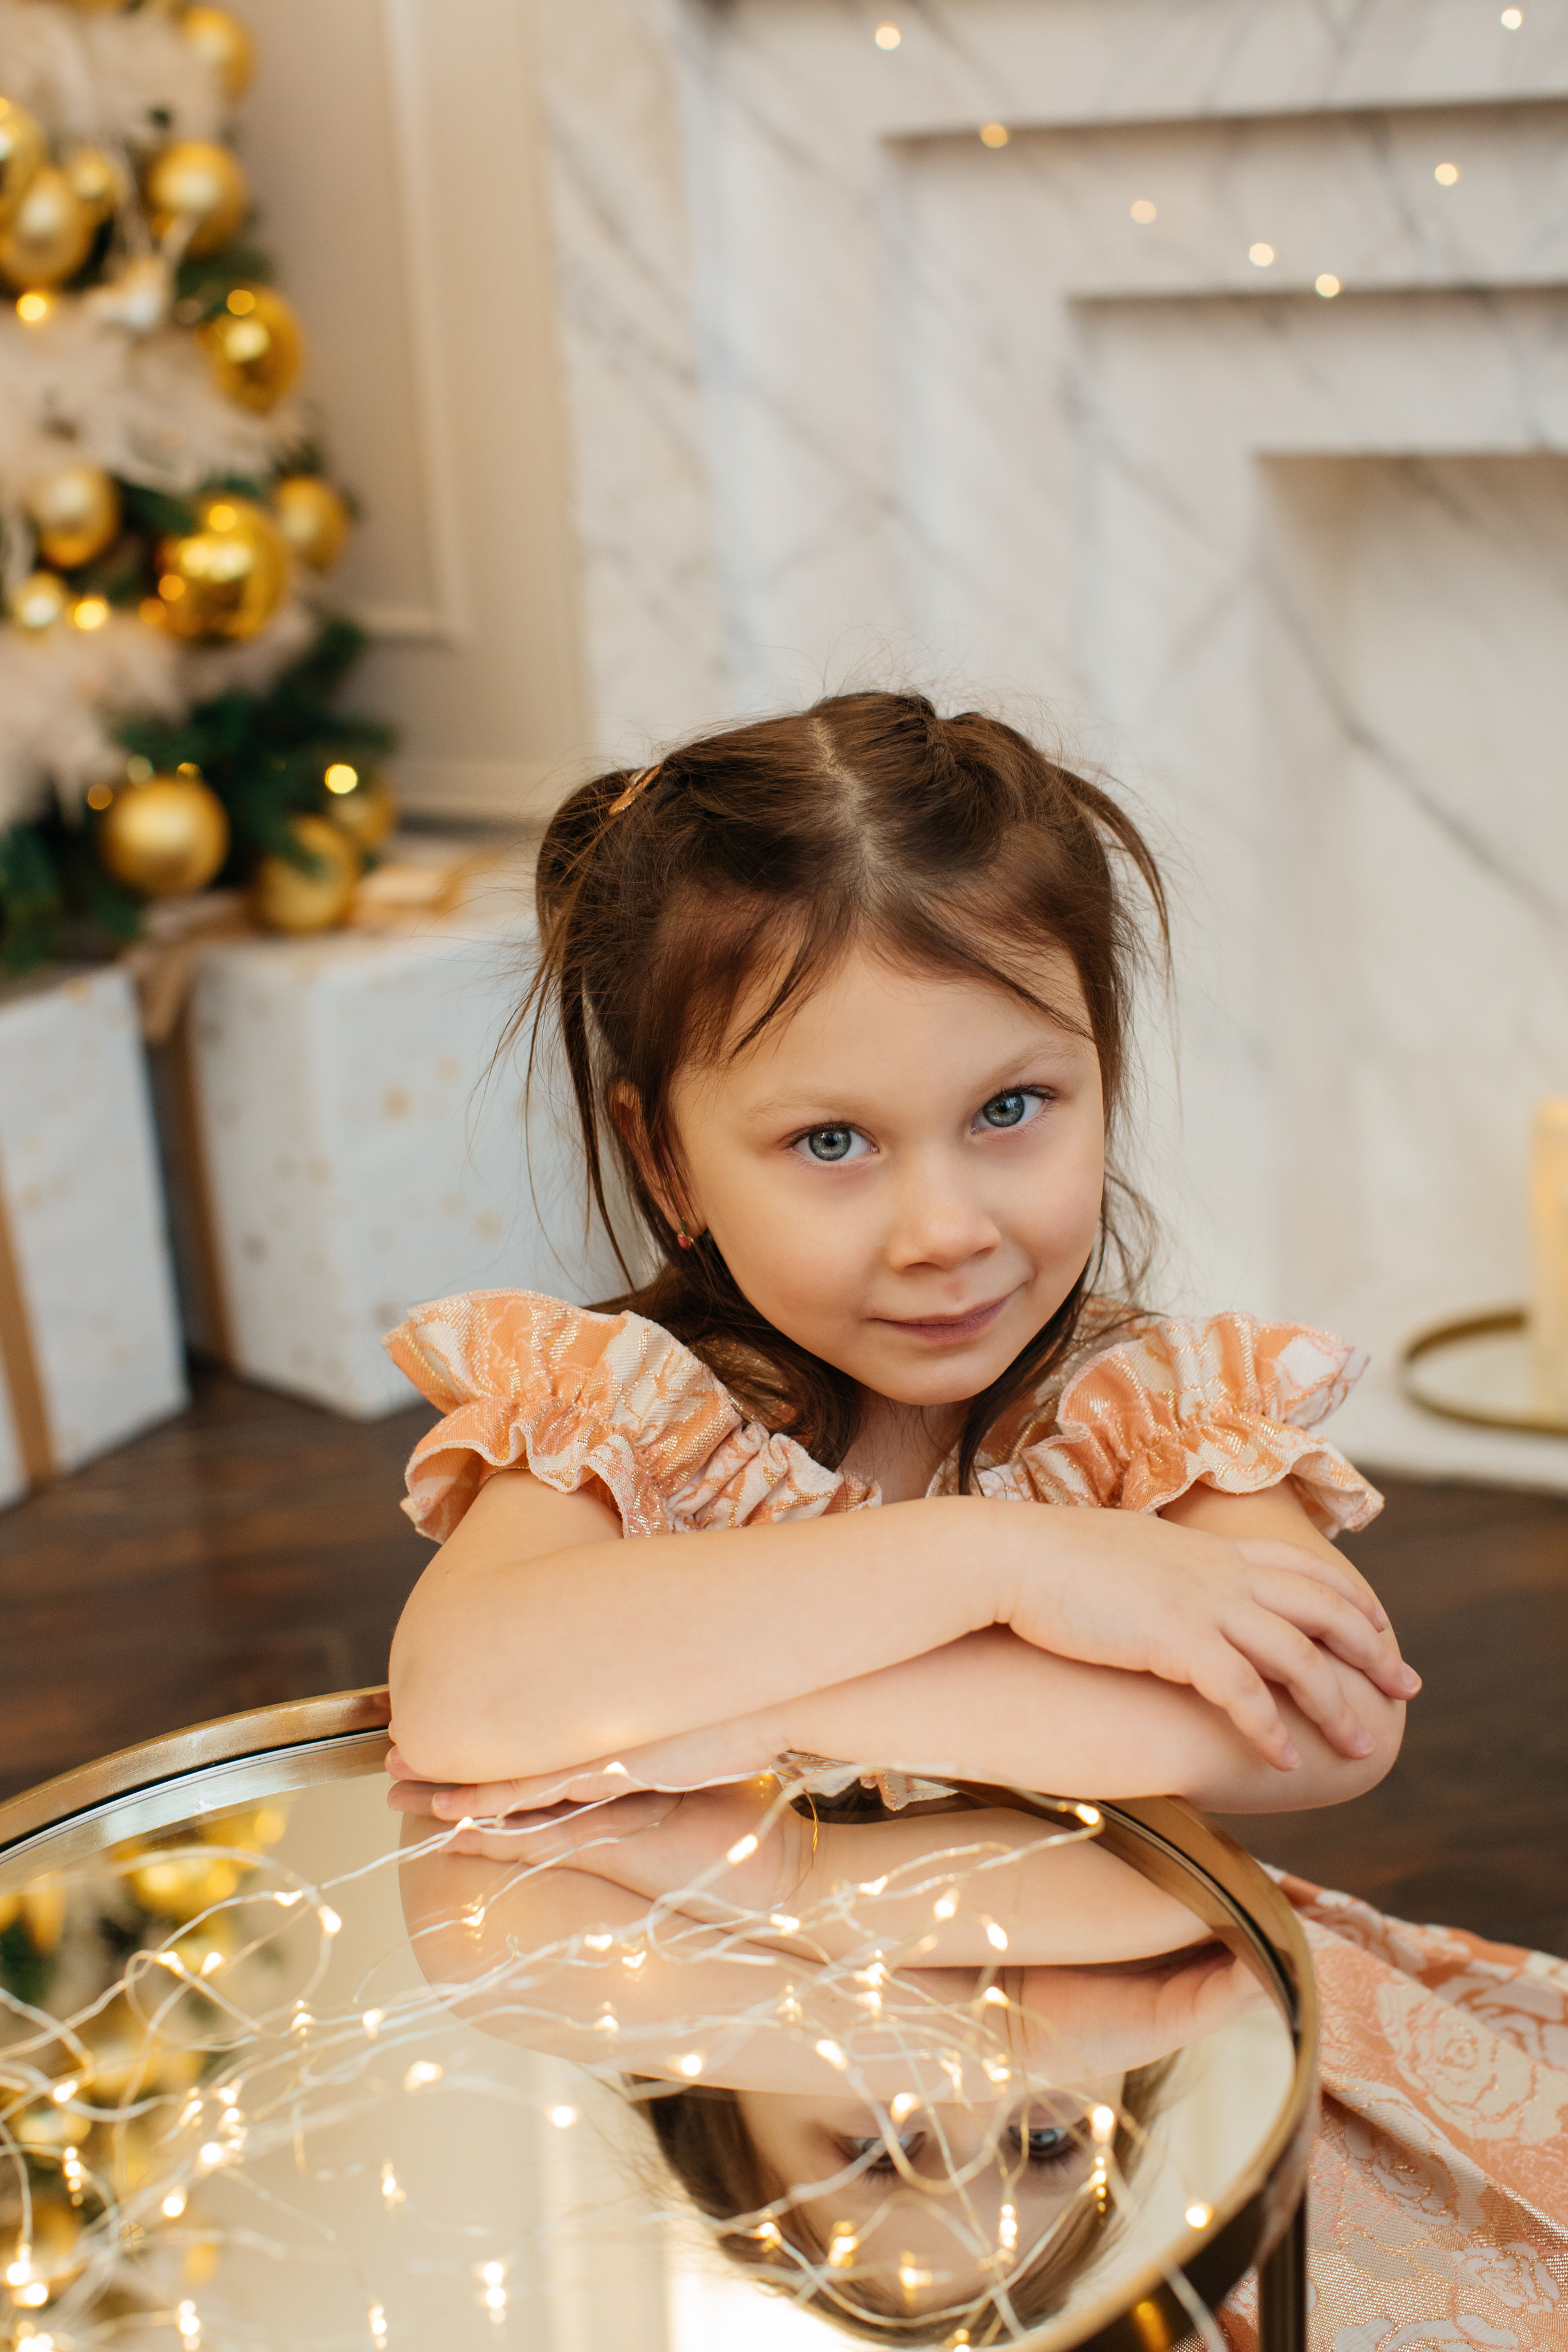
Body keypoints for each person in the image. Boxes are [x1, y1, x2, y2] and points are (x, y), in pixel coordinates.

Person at [382, 693, 1568, 2346]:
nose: (947, 1229)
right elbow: (467, 1693)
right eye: (833, 1142)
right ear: (666, 1160)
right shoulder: (625, 1417)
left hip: (1224, 2048)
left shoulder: (1138, 1411)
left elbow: (1316, 1737)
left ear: (1102, 1074)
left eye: (1013, 1109)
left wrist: (762, 1773)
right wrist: (1011, 1565)